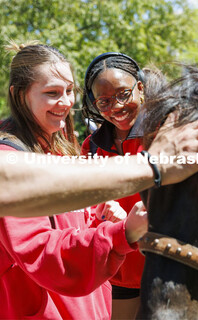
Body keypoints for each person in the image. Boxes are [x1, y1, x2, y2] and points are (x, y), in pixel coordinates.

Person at [0, 58, 198, 320]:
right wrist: (123, 231)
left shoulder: (62, 150)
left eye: (70, 90)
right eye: (52, 92)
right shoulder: (8, 158)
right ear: (21, 96)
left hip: (120, 284)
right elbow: (44, 253)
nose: (65, 102)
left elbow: (77, 220)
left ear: (140, 89)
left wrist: (102, 217)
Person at [81, 52, 160, 319]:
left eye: (124, 95)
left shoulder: (163, 135)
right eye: (104, 101)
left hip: (166, 267)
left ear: (140, 88)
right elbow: (85, 204)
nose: (115, 107)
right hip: (116, 273)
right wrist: (101, 210)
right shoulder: (90, 146)